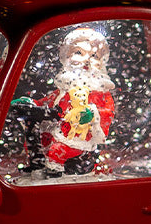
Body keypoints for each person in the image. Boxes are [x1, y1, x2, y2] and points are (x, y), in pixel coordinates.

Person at [13, 27, 115, 177]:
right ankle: (38, 168)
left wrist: (92, 115)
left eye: (94, 56)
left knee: (56, 151)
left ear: (102, 63)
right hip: (55, 132)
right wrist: (31, 103)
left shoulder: (101, 93)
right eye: (79, 53)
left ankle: (53, 174)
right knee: (36, 140)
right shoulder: (64, 90)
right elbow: (48, 102)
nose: (86, 60)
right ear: (66, 57)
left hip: (79, 139)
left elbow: (107, 112)